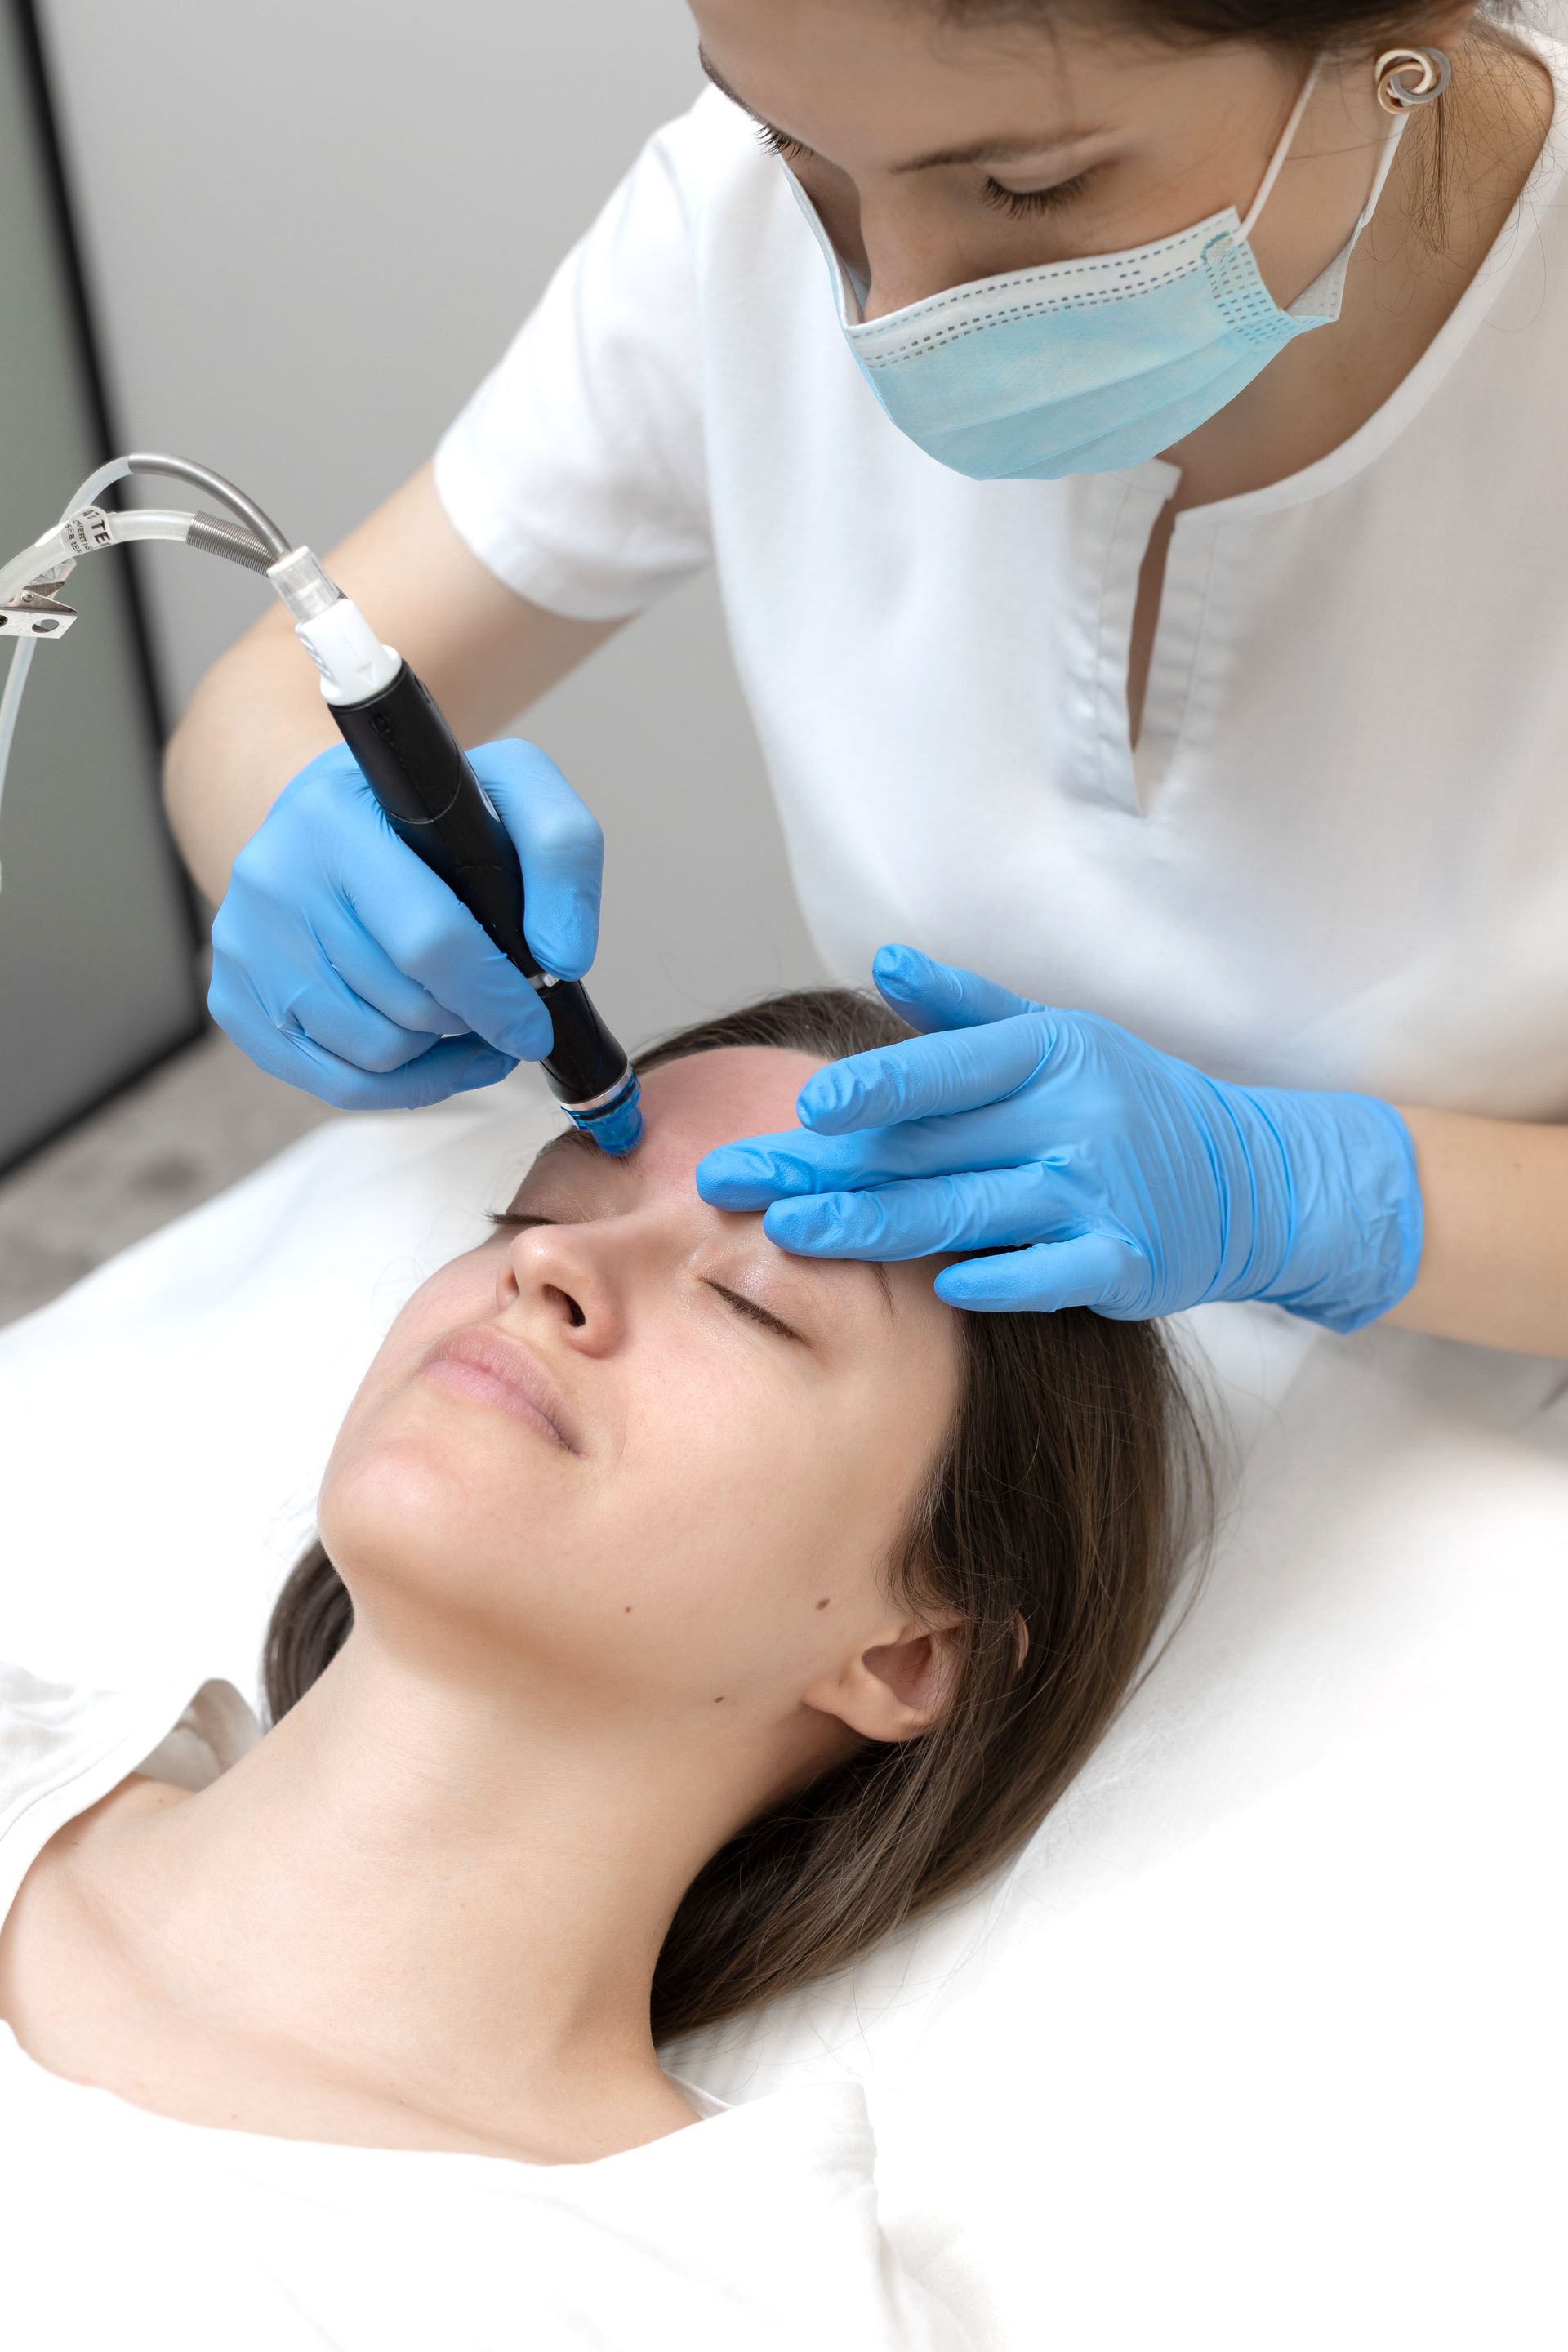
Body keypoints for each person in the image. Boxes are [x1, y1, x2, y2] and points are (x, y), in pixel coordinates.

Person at [168, 2, 1567, 1358]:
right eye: (799, 156)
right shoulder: (729, 218)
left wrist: (1326, 1197)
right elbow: (265, 710)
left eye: (1027, 186)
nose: (891, 310)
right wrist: (312, 853)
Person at [0, 990, 1201, 2352]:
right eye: (535, 1209)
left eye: (756, 1304)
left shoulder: (709, 2304)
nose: (549, 1267)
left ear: (911, 1650)